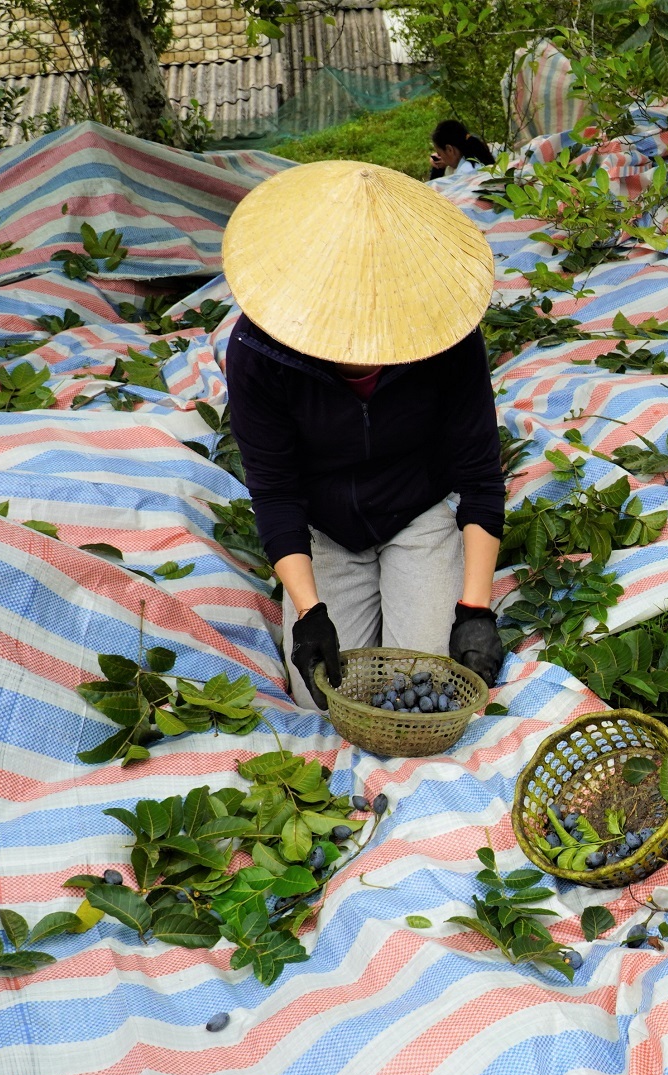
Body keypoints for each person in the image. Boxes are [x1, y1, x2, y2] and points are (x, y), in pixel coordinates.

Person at [221, 159, 508, 710]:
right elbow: (276, 491)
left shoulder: (449, 340)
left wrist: (475, 610)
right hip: (324, 525)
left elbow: (478, 478)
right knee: (324, 697)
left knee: (428, 682)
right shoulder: (259, 354)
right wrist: (310, 613)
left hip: (415, 509)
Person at [429, 120, 497, 180]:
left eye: (439, 154)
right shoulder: (479, 154)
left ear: (449, 149)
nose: (439, 158)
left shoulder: (464, 174)